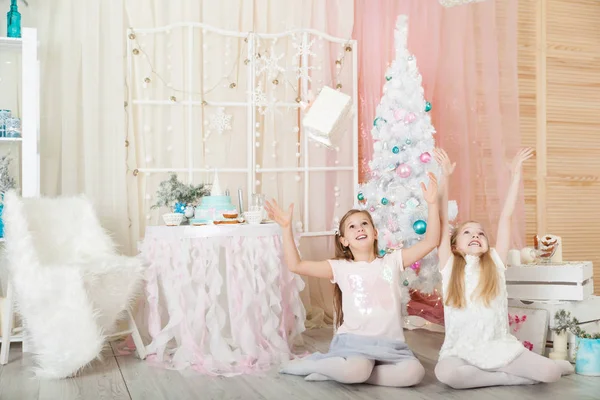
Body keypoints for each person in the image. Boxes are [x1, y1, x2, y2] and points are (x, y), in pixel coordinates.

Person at [264, 172, 440, 387]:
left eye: (364, 224)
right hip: (354, 342)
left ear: (375, 233)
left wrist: (432, 203)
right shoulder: (340, 268)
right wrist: (285, 228)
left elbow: (431, 241)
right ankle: (316, 365)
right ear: (345, 241)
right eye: (352, 227)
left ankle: (340, 372)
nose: (360, 229)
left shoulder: (392, 261)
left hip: (391, 345)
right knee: (357, 370)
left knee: (414, 374)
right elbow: (296, 265)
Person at [433, 148, 574, 389]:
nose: (476, 235)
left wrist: (515, 175)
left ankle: (513, 371)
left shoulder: (496, 262)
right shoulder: (449, 266)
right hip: (460, 349)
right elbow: (442, 220)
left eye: (480, 233)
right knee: (446, 375)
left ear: (488, 244)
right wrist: (445, 176)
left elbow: (506, 218)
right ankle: (508, 378)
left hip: (498, 347)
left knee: (551, 373)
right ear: (455, 245)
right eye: (468, 232)